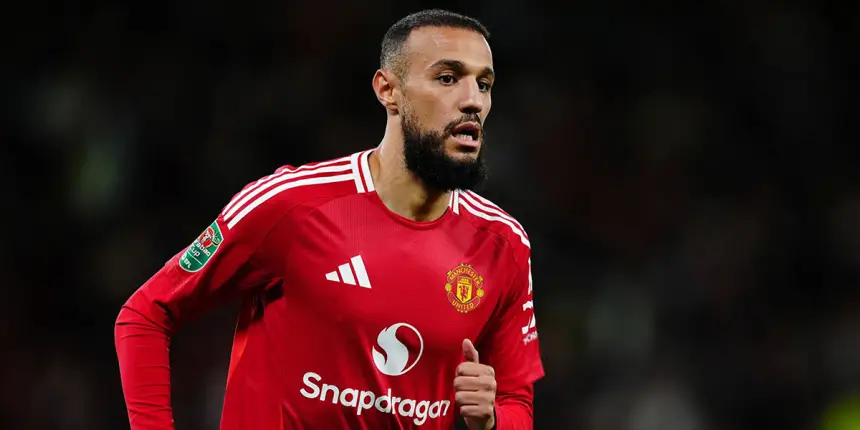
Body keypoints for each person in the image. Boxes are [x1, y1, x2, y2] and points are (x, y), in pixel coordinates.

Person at [115, 8, 543, 430]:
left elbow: (516, 403)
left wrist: (491, 421)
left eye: (484, 84)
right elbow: (146, 313)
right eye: (448, 78)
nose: (473, 101)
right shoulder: (292, 204)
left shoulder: (503, 244)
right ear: (388, 90)